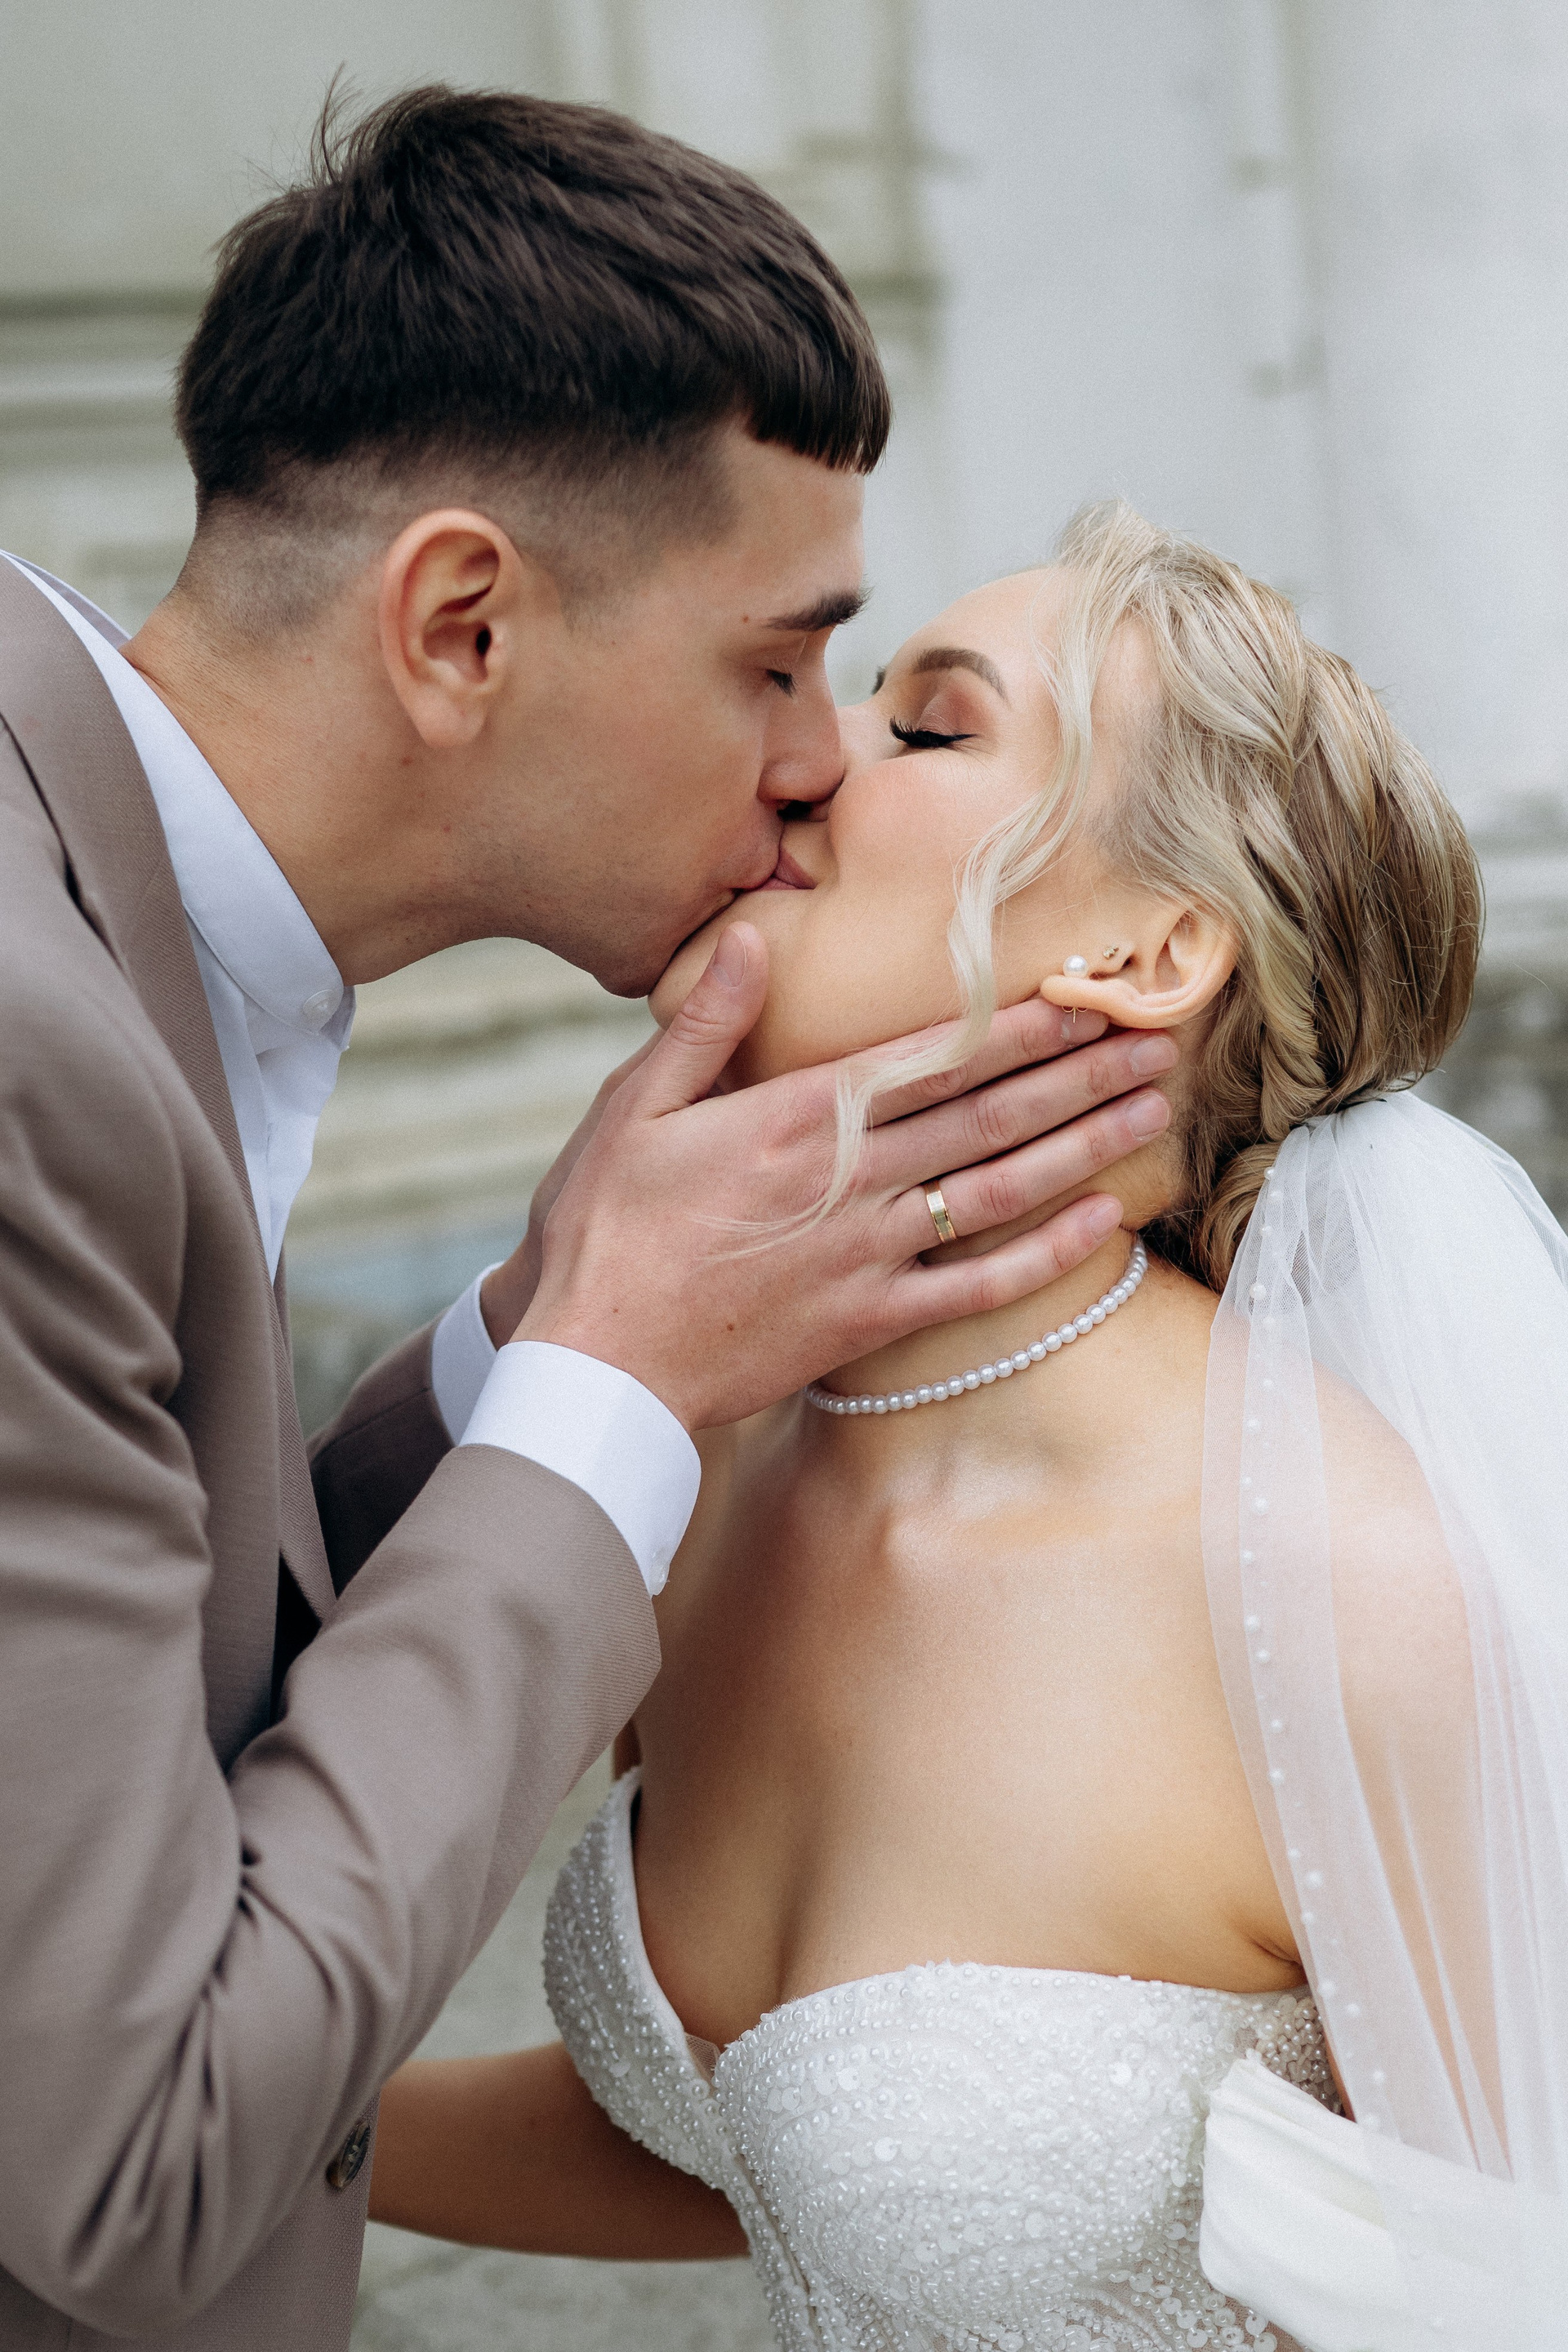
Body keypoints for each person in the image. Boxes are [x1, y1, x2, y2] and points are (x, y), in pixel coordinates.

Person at [0, 92, 1173, 2352]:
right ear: (461, 627)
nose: (820, 762)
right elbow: (132, 2155)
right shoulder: (29, 1042)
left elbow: (118, 1664)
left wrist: (539, 1328)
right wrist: (618, 1386)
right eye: (779, 663)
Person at [368, 505, 1568, 2350]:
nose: (805, 757)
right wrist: (147, 2128)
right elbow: (775, 2149)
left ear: (1154, 950)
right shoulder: (691, 1471)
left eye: (926, 724)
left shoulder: (1340, 1586)